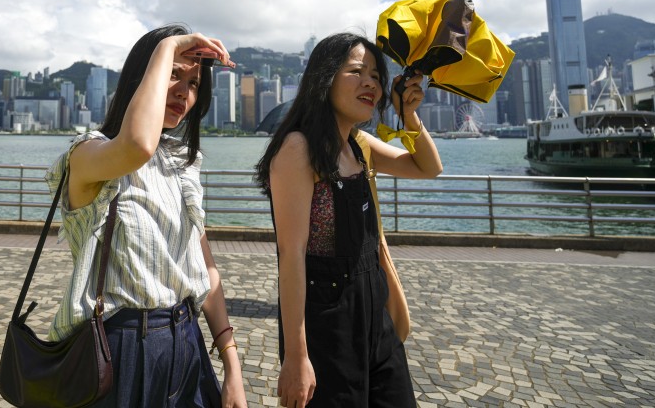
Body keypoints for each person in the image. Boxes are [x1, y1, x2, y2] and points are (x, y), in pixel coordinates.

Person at [44, 24, 247, 408]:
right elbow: (136, 143)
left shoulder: (180, 166)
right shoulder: (91, 155)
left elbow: (206, 269)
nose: (183, 91)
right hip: (119, 351)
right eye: (173, 74)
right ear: (144, 77)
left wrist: (231, 364)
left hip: (186, 345)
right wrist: (169, 45)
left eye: (193, 82)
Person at [254, 32, 443, 408]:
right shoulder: (299, 148)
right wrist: (296, 357)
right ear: (325, 77)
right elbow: (291, 257)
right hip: (328, 324)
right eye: (357, 71)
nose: (371, 82)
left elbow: (428, 167)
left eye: (376, 75)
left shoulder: (359, 143)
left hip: (376, 314)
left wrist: (409, 115)